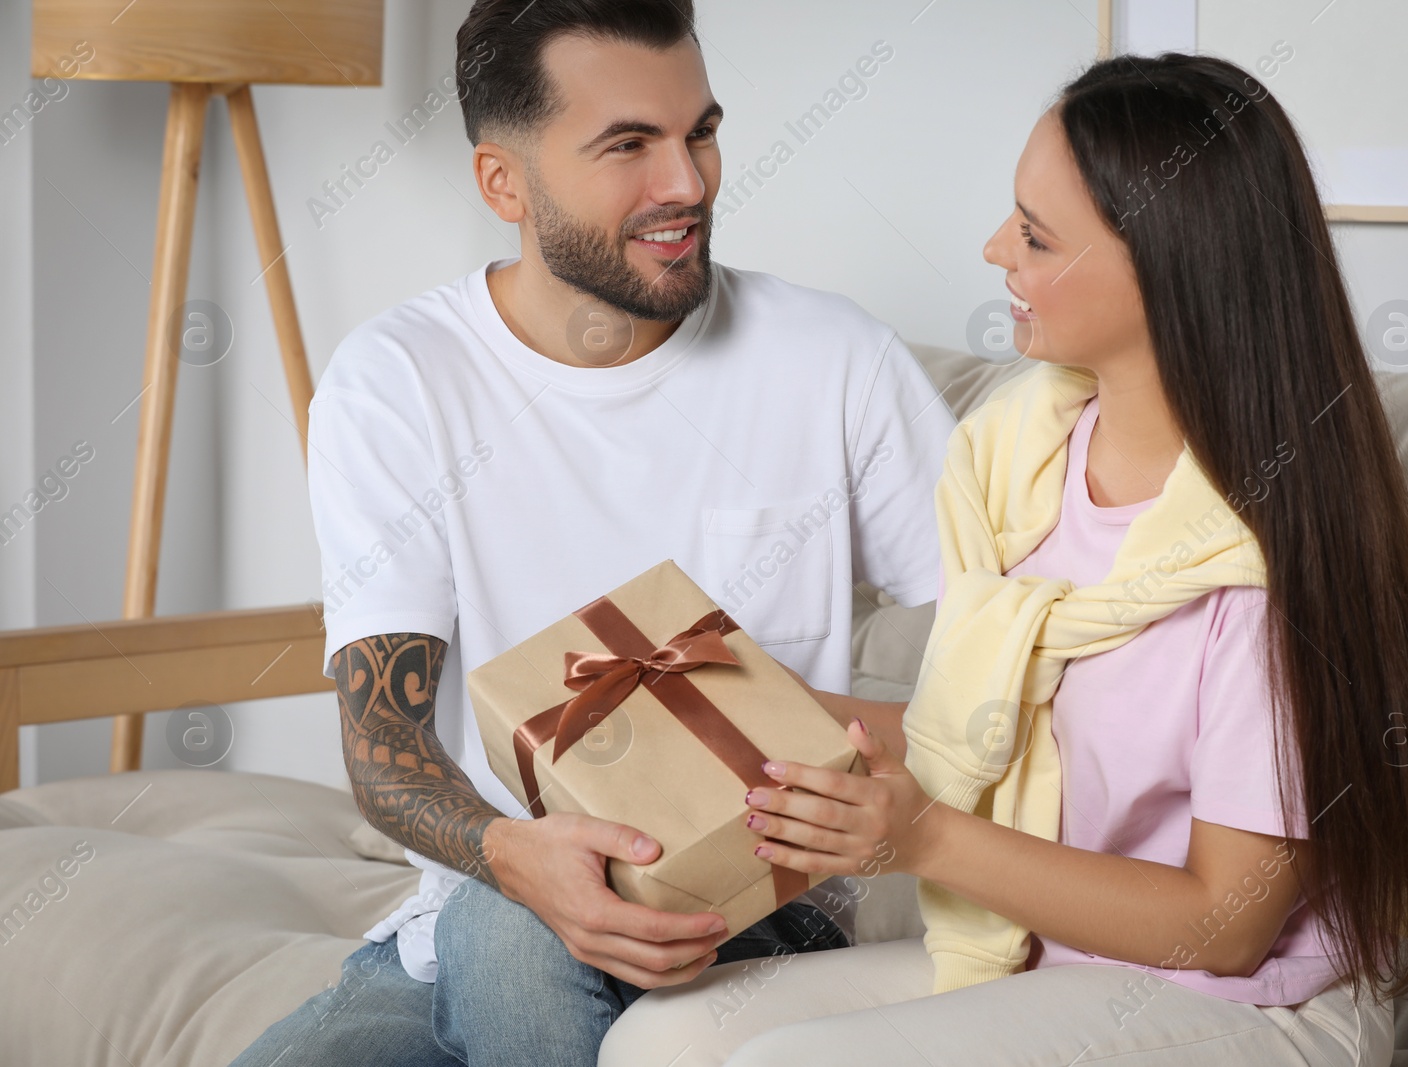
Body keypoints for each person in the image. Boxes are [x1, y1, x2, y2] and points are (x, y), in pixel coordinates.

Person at [598, 52, 1408, 1066]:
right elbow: (991, 728)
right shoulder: (1021, 464)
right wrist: (759, 700)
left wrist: (924, 838)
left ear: (1167, 263)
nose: (992, 247)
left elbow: (1227, 922)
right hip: (1052, 954)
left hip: (1251, 1003)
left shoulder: (1259, 558)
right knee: (658, 1040)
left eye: (1034, 232)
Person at [228, 1, 956, 1064]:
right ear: (502, 183)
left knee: (514, 942)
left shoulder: (834, 359)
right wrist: (511, 852)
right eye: (628, 146)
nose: (689, 183)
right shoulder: (397, 381)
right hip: (485, 894)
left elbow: (1015, 669)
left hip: (758, 913)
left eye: (698, 132)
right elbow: (383, 752)